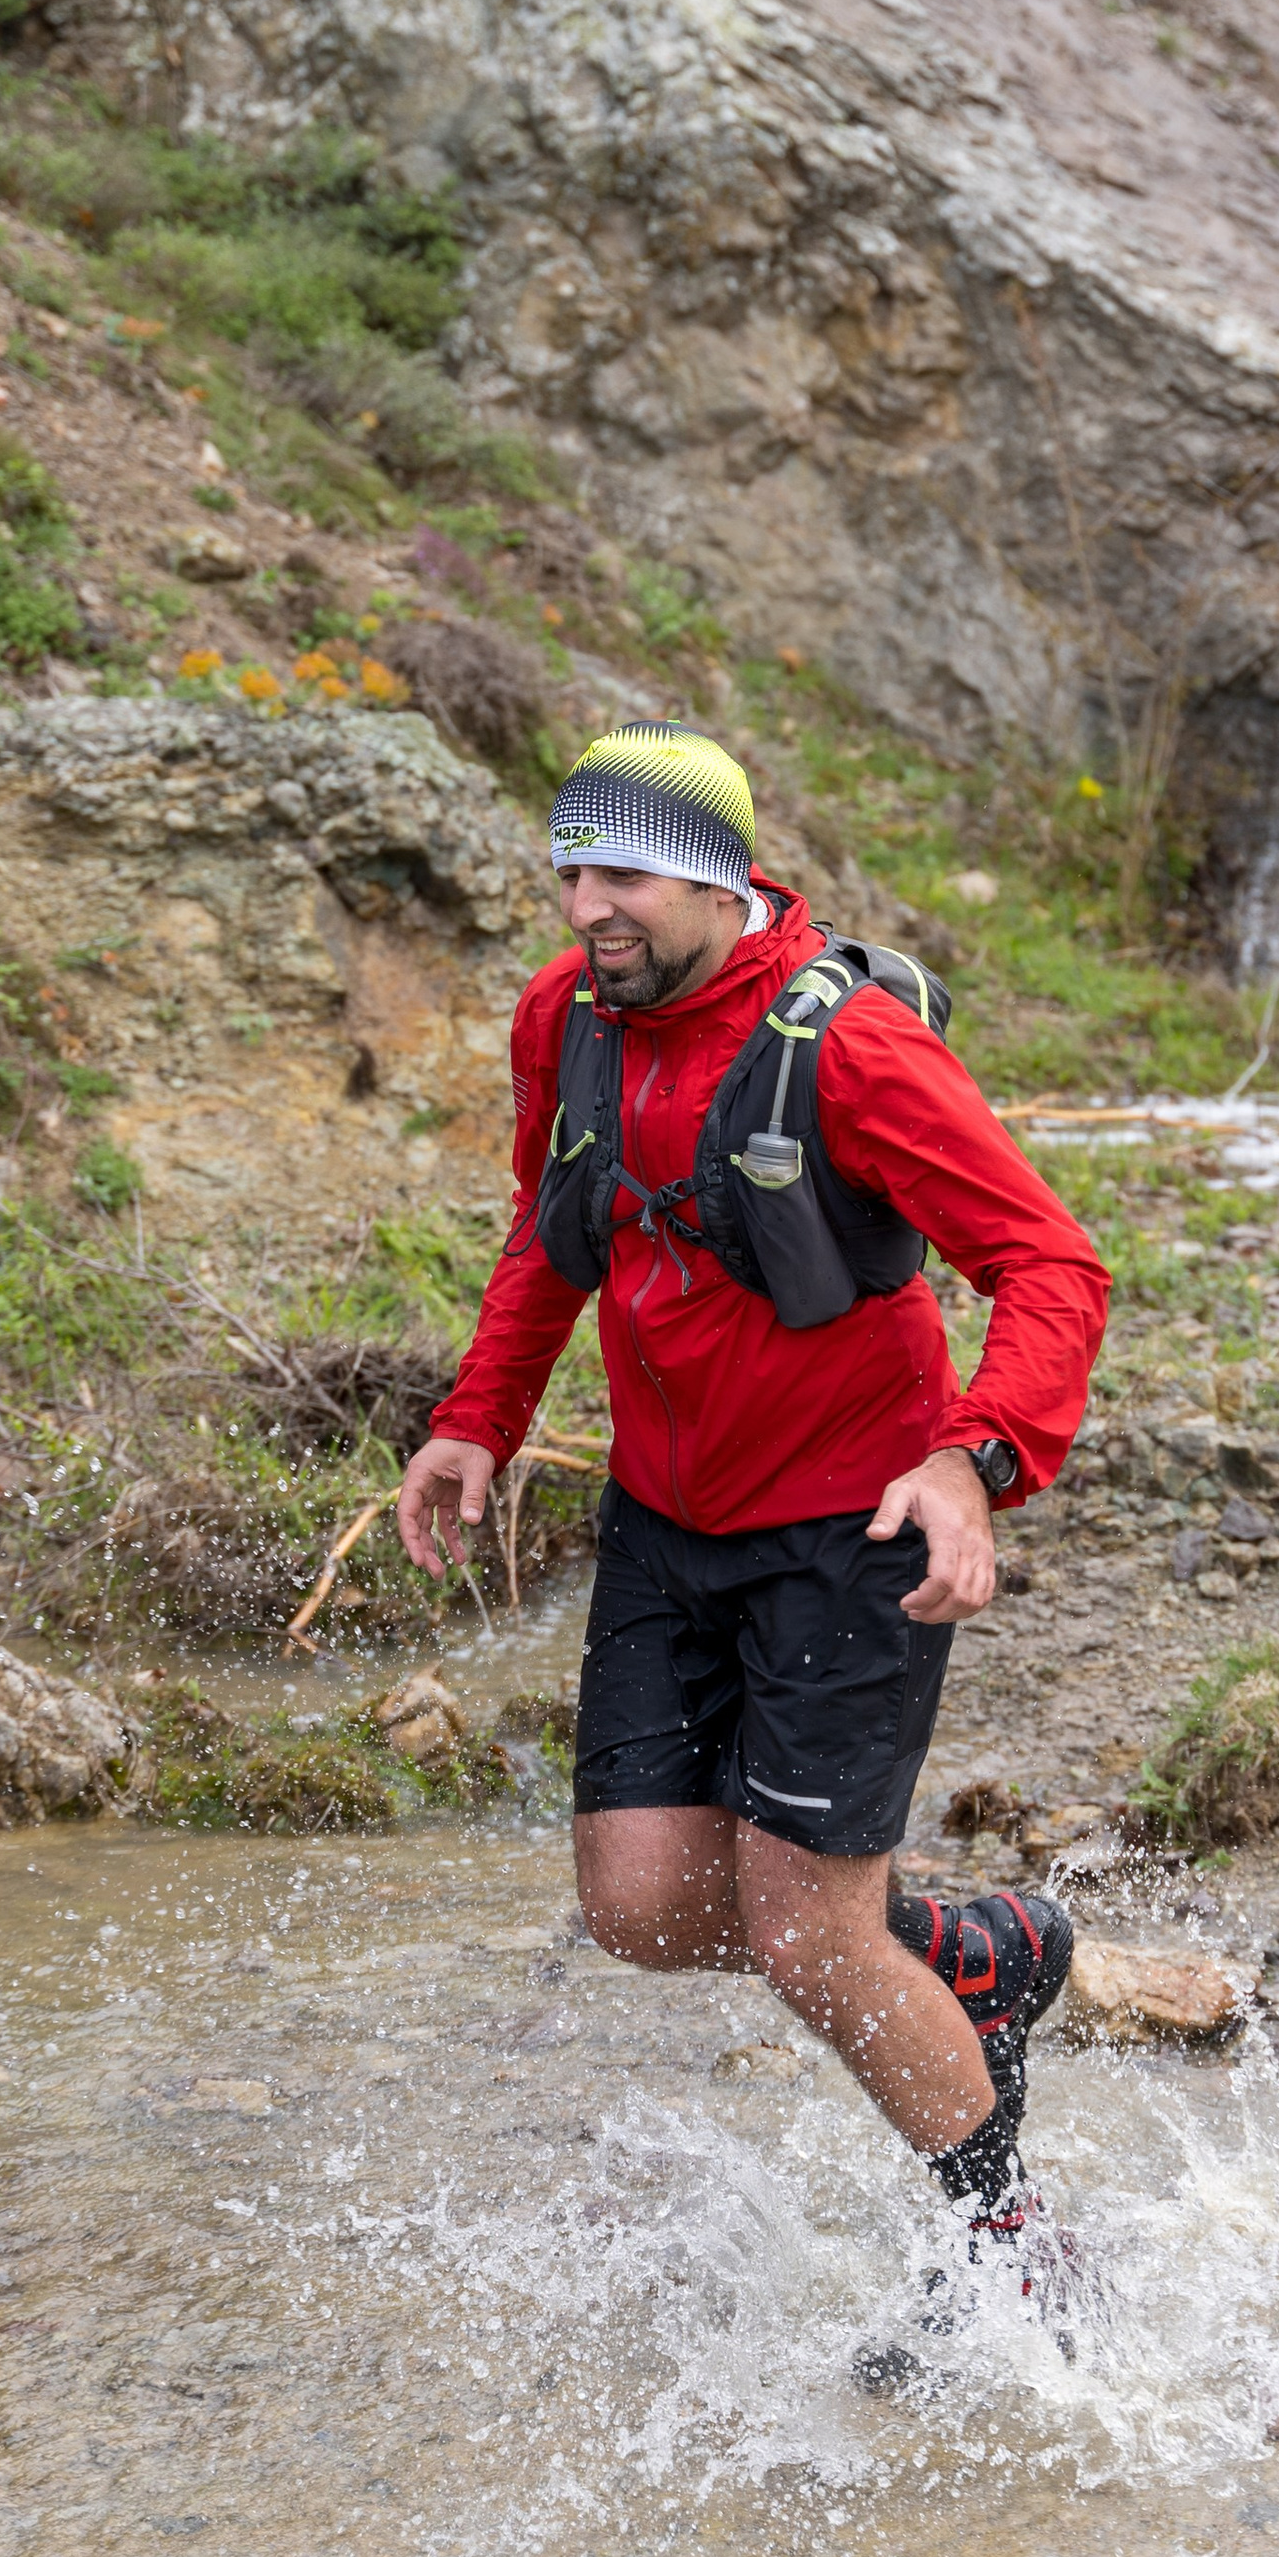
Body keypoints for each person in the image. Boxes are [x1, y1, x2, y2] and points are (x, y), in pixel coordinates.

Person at [395, 719, 1111, 2267]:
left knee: (803, 1937)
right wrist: (480, 1418)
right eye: (573, 872)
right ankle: (967, 1955)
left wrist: (975, 1461)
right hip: (667, 1521)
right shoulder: (564, 1018)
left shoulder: (852, 1049)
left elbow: (1050, 1263)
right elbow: (551, 1226)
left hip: (852, 1526)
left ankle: (1016, 2257)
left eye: (629, 875)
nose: (591, 906)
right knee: (640, 1907)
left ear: (723, 882)